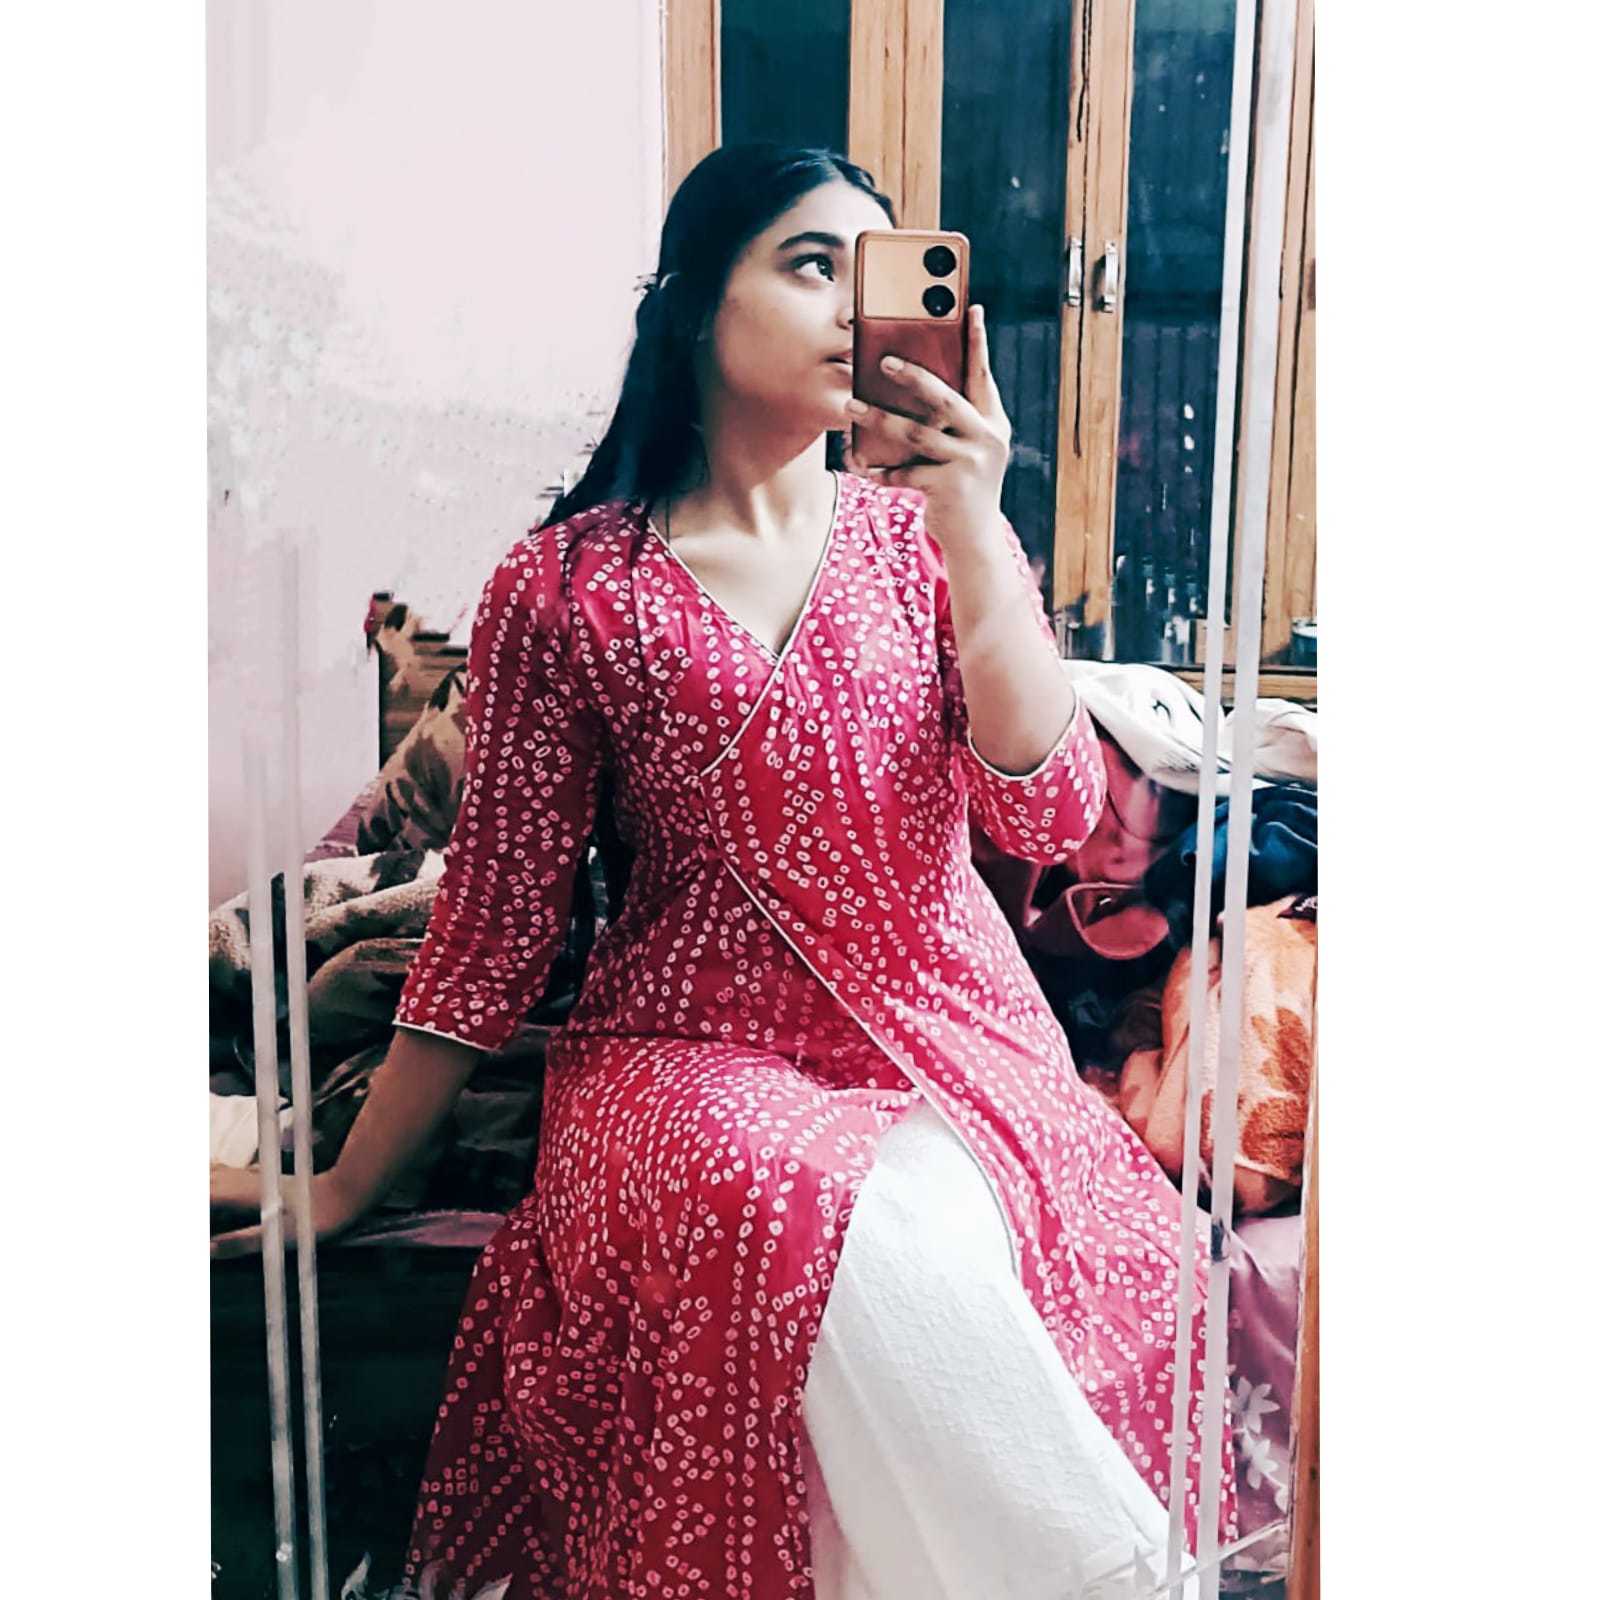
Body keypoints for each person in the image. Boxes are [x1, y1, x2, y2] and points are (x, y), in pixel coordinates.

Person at [213, 141, 1234, 1599]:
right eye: (813, 265)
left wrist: (971, 524)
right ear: (695, 302)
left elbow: (1049, 812)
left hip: (949, 1038)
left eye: (876, 277)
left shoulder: (927, 543)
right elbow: (493, 928)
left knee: (933, 1224)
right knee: (785, 1198)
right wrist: (342, 1183)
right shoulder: (569, 587)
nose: (853, 310)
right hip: (687, 1052)